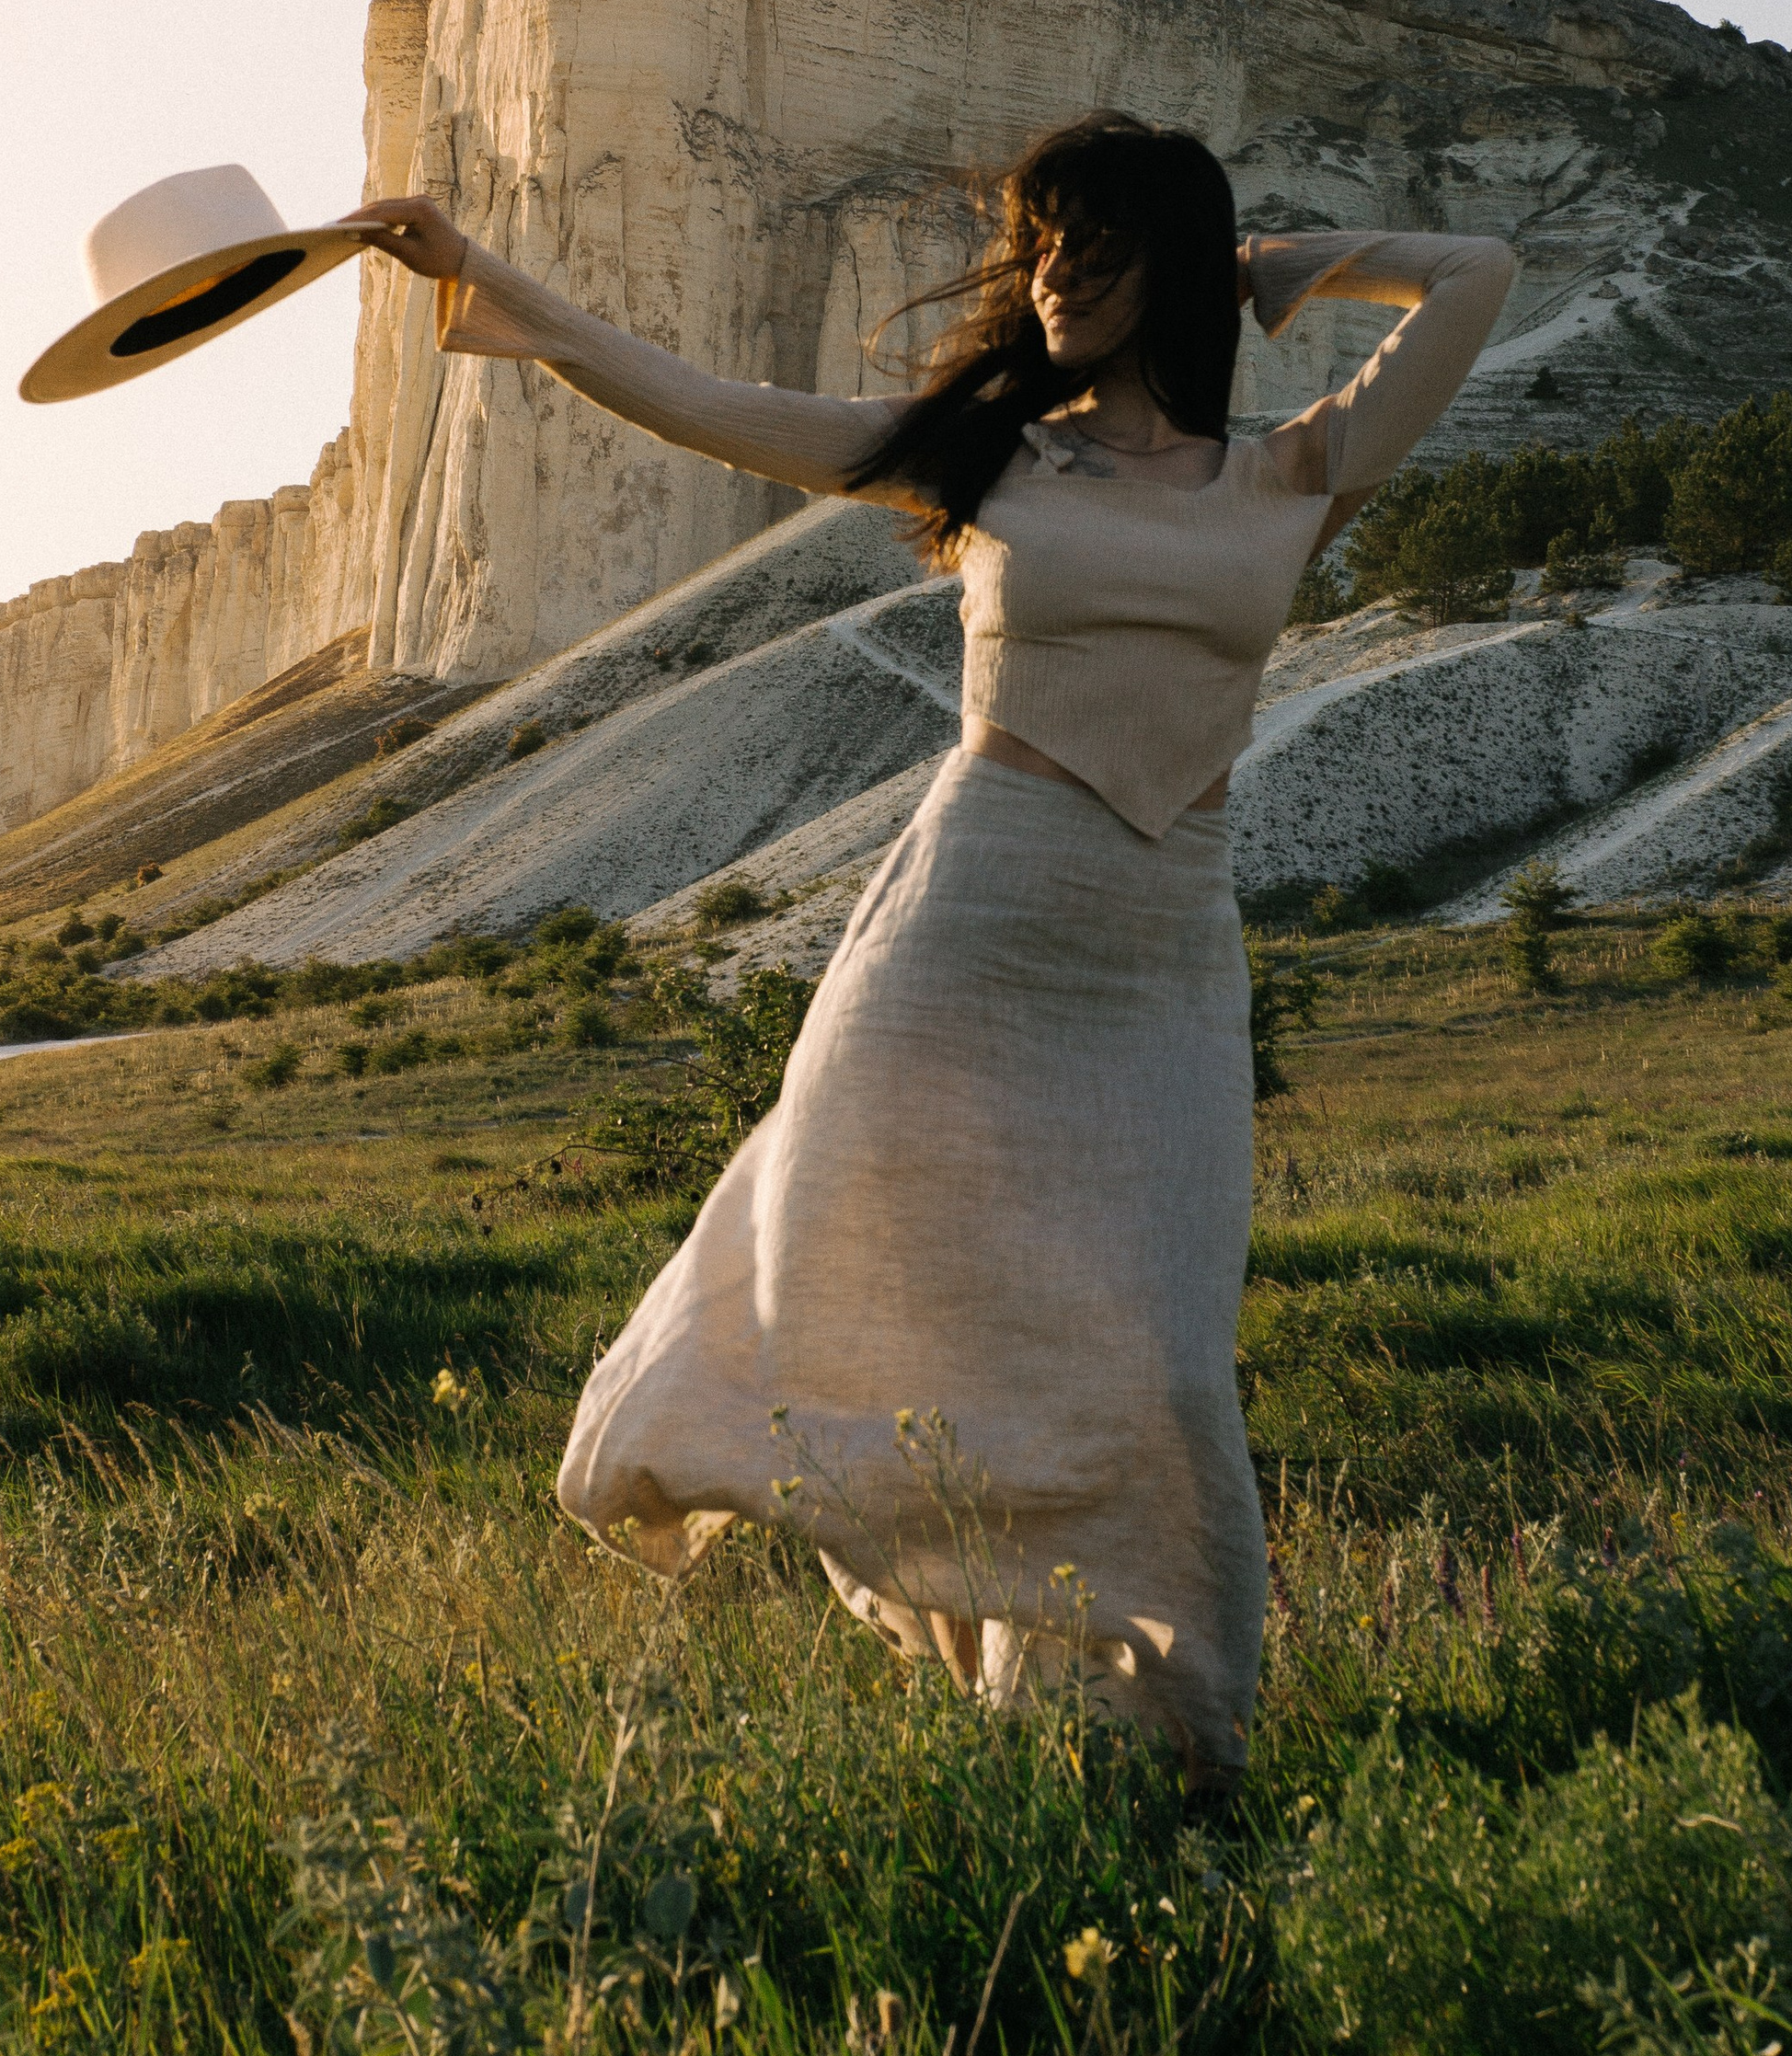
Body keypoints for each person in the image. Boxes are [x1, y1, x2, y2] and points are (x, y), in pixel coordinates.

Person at [352, 114, 1514, 1788]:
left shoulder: (1295, 471)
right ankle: (1029, 1720)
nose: (1052, 272)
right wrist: (482, 276)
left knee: (1163, 1361)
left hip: (1162, 957)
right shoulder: (996, 462)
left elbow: (1478, 272)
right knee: (892, 1281)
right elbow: (718, 409)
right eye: (1042, 241)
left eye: (1094, 245)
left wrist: (1264, 269)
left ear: (1171, 266)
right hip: (966, 930)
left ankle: (1168, 1724)